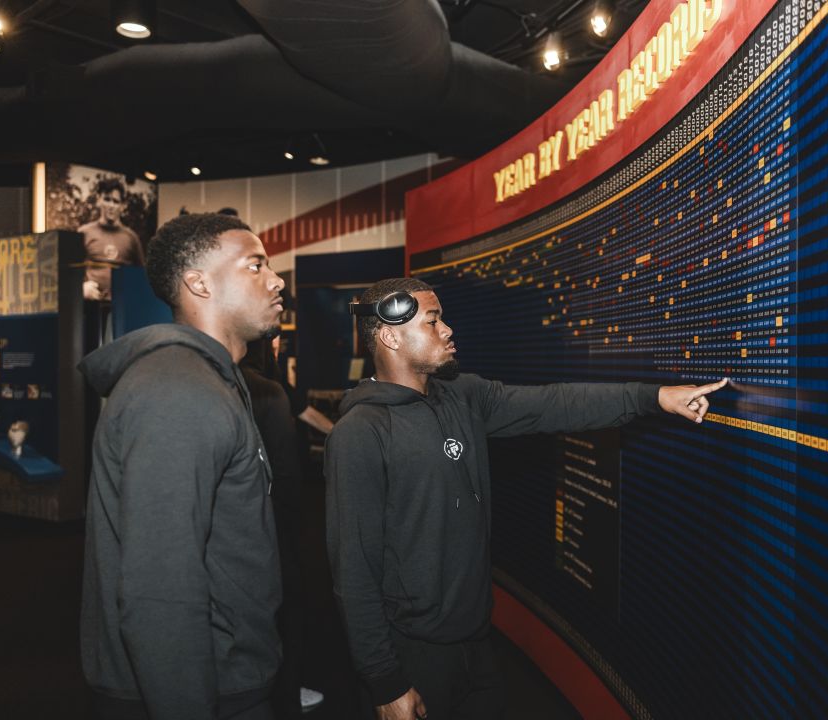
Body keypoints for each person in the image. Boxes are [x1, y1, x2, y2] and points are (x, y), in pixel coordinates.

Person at [325, 278, 729, 720]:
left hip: (477, 646)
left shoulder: (463, 396)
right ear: (390, 335)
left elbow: (555, 403)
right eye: (434, 321)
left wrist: (653, 397)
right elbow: (354, 570)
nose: (448, 330)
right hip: (412, 656)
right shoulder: (360, 434)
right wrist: (386, 682)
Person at [78, 212, 287, 720]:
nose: (276, 279)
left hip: (229, 673)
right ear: (198, 282)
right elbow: (160, 588)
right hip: (204, 686)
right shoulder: (179, 393)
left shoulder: (209, 379)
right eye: (255, 265)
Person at [239, 339, 326, 718]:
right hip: (272, 517)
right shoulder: (265, 389)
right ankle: (284, 694)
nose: (279, 345)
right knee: (285, 606)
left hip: (248, 517)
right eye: (274, 341)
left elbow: (307, 413)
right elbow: (286, 471)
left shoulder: (255, 382)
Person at [80, 177, 144, 300]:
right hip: (91, 305)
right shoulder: (84, 233)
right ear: (99, 200)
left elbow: (141, 276)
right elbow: (71, 273)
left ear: (122, 206)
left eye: (116, 201)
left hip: (124, 306)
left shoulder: (131, 238)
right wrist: (81, 287)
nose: (111, 205)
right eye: (107, 199)